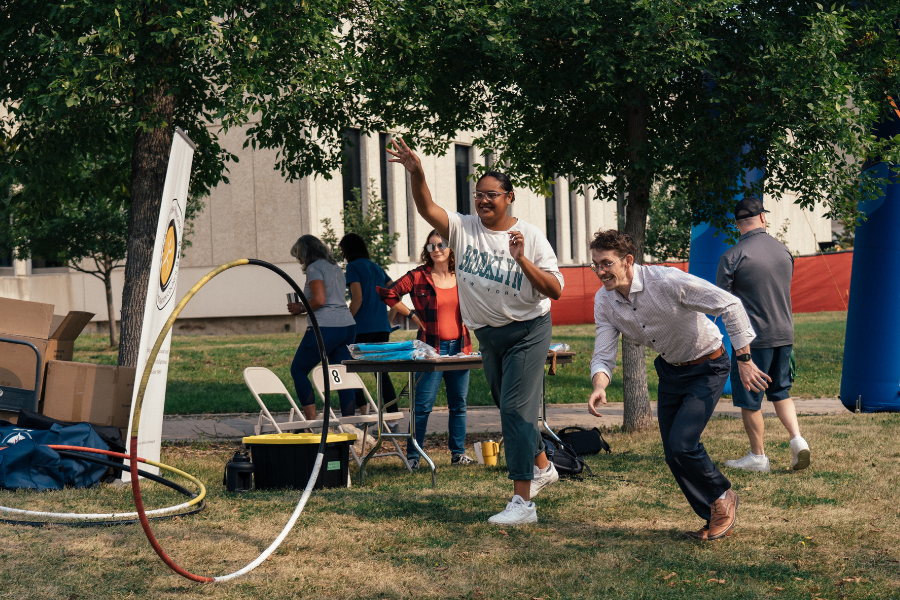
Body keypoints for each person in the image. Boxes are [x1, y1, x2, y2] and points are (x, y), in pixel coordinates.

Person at [388, 137, 564, 526]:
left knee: (516, 411)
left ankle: (523, 502)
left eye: (491, 195)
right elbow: (427, 208)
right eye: (478, 195)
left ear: (509, 197)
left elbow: (553, 290)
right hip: (489, 335)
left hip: (529, 329)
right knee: (511, 408)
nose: (483, 201)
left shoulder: (530, 236)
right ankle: (543, 465)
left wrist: (521, 261)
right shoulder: (464, 229)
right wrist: (416, 173)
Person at [586, 229, 771, 541]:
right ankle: (714, 511)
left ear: (628, 261)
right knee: (673, 453)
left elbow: (729, 304)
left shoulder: (667, 281)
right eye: (595, 265)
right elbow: (603, 352)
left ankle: (723, 495)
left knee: (683, 443)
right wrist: (599, 385)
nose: (600, 272)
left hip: (707, 365)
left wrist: (745, 357)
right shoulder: (604, 301)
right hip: (671, 370)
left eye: (606, 264)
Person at [716, 197, 811, 472]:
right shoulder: (784, 251)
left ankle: (758, 457)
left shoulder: (732, 257)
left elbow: (721, 302)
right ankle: (797, 440)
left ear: (737, 224)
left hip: (752, 340)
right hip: (785, 334)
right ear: (763, 218)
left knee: (751, 398)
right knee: (781, 391)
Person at [378, 230, 476, 470]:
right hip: (430, 350)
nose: (437, 250)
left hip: (460, 348)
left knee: (459, 404)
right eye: (431, 246)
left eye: (441, 245)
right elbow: (388, 294)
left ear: (451, 248)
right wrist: (410, 314)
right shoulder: (418, 276)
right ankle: (414, 457)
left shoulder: (463, 274)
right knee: (422, 406)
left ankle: (458, 454)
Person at [287, 235, 357, 419]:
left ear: (305, 252)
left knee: (298, 370)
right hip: (347, 325)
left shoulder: (314, 267)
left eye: (298, 255)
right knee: (340, 375)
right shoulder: (335, 267)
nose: (299, 260)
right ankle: (349, 424)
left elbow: (319, 300)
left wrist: (300, 307)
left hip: (326, 327)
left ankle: (311, 421)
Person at [339, 233, 399, 417]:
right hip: (382, 328)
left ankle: (362, 409)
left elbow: (357, 299)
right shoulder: (376, 268)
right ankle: (392, 418)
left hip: (362, 328)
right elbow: (395, 291)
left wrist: (346, 323)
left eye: (342, 250)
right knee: (382, 374)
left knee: (346, 366)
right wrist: (389, 319)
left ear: (348, 250)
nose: (342, 254)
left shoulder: (353, 267)